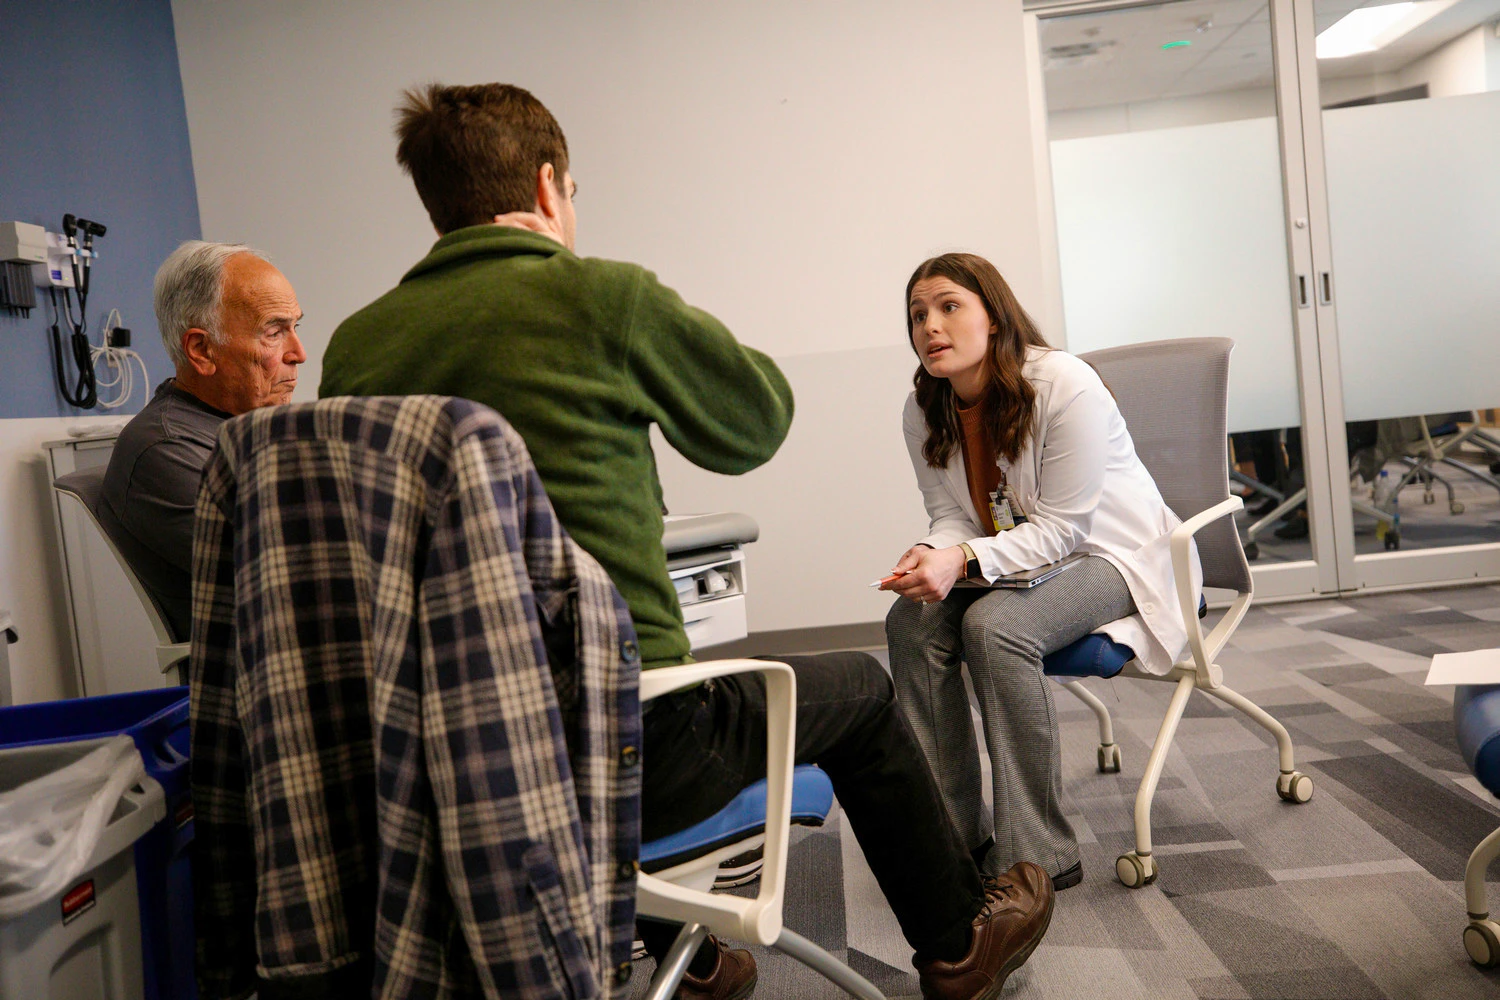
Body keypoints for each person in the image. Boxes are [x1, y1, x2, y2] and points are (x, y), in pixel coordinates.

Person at [320, 83, 1053, 1000]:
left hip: (445, 753)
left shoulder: (354, 348)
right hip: (634, 750)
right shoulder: (600, 297)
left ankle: (696, 964)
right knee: (862, 688)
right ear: (550, 188)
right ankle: (955, 948)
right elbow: (755, 424)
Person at [882, 252, 1201, 891]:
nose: (930, 327)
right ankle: (953, 836)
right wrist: (935, 553)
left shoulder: (1062, 383)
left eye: (949, 306)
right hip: (1019, 556)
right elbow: (951, 513)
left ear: (993, 318)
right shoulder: (925, 410)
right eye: (918, 315)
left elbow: (1065, 529)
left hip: (1113, 556)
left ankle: (1039, 852)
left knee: (997, 627)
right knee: (910, 621)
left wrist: (963, 559)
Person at [99, 241, 306, 640]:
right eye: (274, 331)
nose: (298, 352)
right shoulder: (164, 450)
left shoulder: (251, 427)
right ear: (201, 349)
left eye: (296, 327)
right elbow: (289, 580)